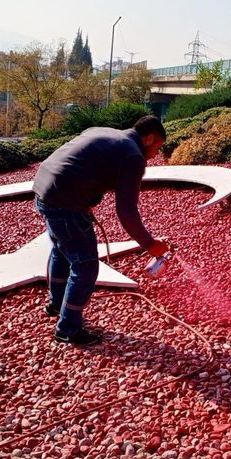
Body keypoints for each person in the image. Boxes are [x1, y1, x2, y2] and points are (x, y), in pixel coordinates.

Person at [33, 115, 170, 346]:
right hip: (65, 201)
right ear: (148, 139)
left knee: (61, 250)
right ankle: (68, 329)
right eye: (158, 147)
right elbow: (126, 210)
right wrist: (149, 244)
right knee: (85, 266)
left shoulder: (105, 132)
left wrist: (84, 198)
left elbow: (81, 164)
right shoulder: (134, 156)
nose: (156, 154)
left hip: (43, 188)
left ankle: (57, 304)